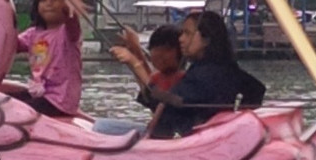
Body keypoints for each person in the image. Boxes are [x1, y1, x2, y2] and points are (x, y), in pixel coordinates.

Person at [148, 10, 265, 139]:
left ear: (206, 40)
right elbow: (257, 89)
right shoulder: (224, 67)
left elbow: (161, 98)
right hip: (210, 138)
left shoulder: (205, 73)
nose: (181, 39)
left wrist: (135, 63)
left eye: (187, 33)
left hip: (189, 142)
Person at [14, 0, 88, 117]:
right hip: (39, 93)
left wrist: (69, 9)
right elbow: (13, 45)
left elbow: (72, 22)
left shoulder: (67, 33)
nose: (48, 3)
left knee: (17, 110)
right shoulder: (33, 33)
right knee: (6, 100)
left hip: (59, 100)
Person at [110, 23, 186, 108]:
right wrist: (135, 49)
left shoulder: (182, 78)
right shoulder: (159, 75)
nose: (159, 54)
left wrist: (133, 62)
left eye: (167, 49)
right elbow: (150, 84)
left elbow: (154, 98)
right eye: (156, 48)